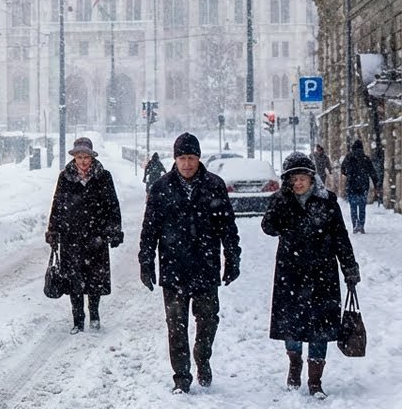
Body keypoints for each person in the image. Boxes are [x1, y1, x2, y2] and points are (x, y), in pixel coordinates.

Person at [139, 132, 241, 394]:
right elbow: (150, 230)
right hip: (173, 268)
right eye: (182, 158)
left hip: (205, 266)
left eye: (191, 158)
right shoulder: (161, 188)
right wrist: (146, 262)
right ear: (175, 159)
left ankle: (202, 355)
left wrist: (232, 258)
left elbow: (227, 226)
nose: (187, 164)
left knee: (208, 320)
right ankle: (181, 377)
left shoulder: (213, 185)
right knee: (176, 324)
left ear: (198, 158)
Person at [262, 151, 360, 399]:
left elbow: (341, 237)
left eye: (302, 177)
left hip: (322, 274)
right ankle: (295, 366)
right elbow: (268, 228)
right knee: (292, 325)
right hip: (290, 273)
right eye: (292, 179)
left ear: (311, 177)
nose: (297, 183)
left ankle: (315, 380)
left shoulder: (327, 202)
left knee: (321, 328)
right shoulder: (281, 201)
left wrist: (349, 268)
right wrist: (279, 202)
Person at [46, 137, 123, 334]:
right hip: (71, 237)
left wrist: (113, 230)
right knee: (74, 280)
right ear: (74, 158)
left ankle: (94, 314)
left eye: (86, 157)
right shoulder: (65, 177)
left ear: (91, 157)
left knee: (95, 279)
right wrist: (53, 230)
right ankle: (78, 320)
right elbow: (57, 204)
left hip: (95, 236)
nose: (82, 161)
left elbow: (112, 205)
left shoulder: (103, 177)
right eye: (79, 157)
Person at [340, 138, 372, 233]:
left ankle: (355, 225)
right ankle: (361, 225)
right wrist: (376, 183)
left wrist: (349, 175)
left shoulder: (348, 157)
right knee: (362, 207)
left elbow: (342, 169)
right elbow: (372, 172)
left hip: (351, 186)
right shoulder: (366, 158)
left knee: (353, 207)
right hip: (363, 186)